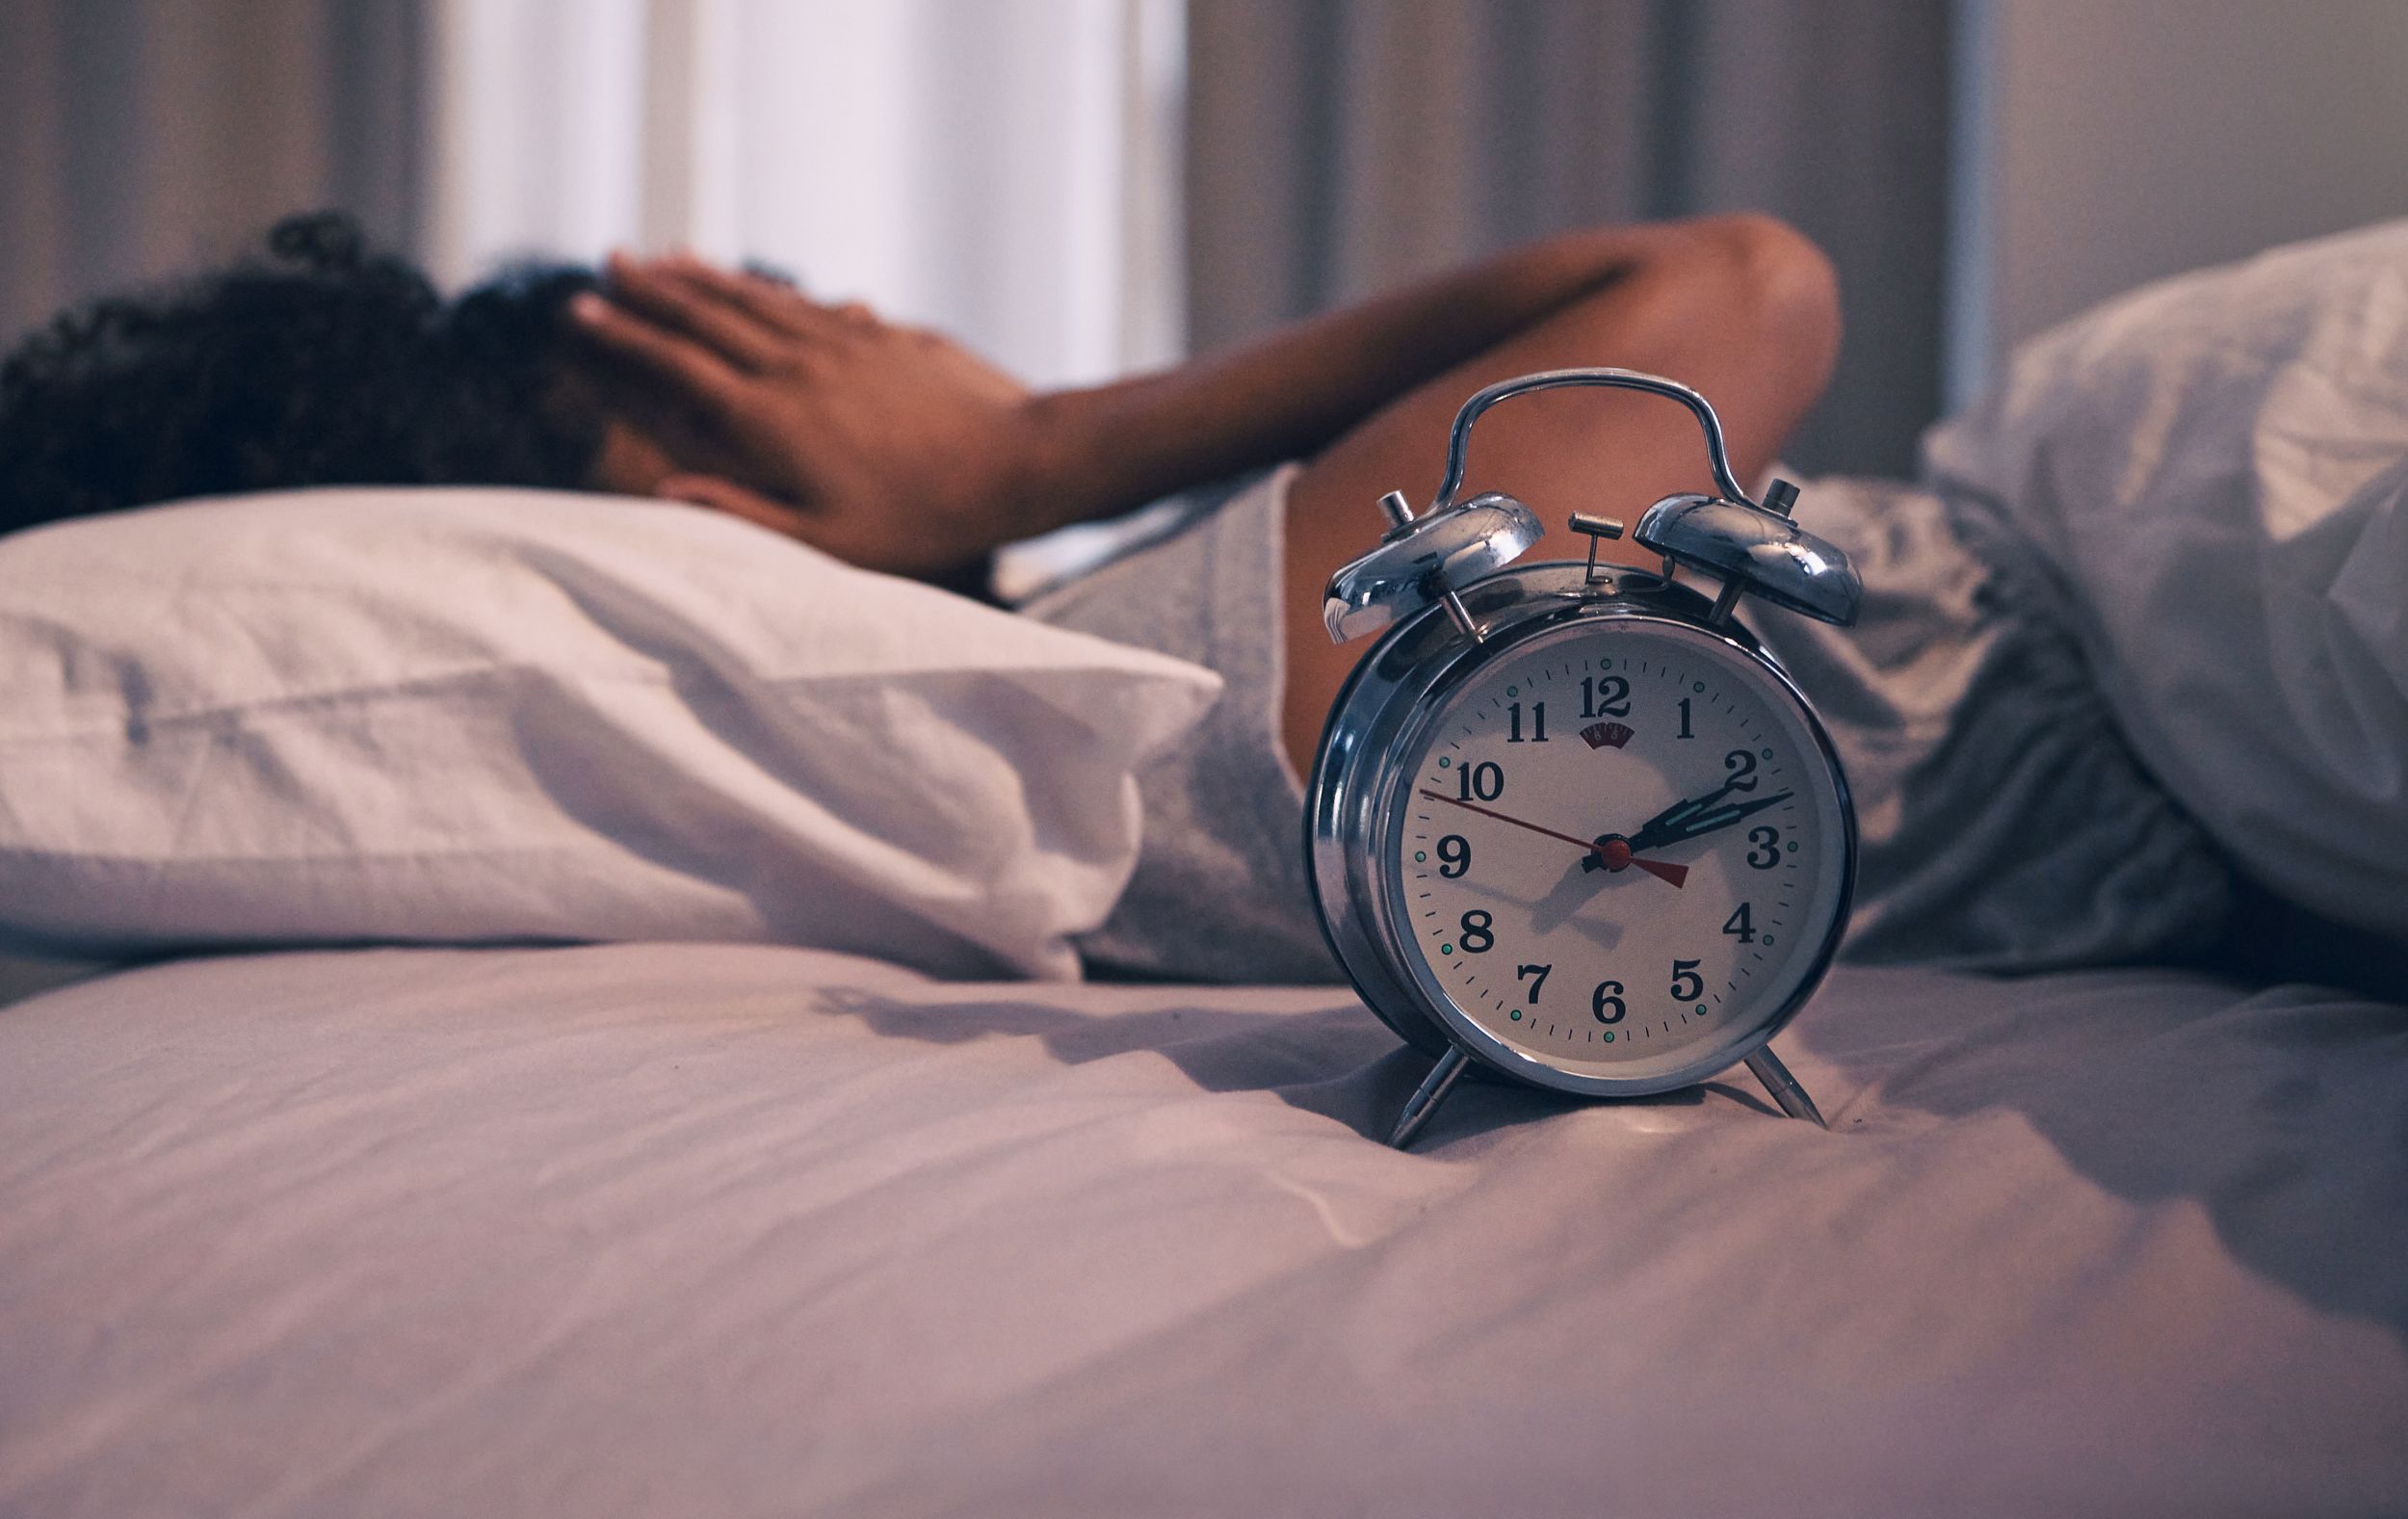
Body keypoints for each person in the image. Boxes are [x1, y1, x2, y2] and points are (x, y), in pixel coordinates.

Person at [0, 211, 2310, 984]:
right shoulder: (1148, 672)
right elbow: (1728, 286)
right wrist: (1040, 448)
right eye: (809, 332)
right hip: (2168, 616)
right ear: (729, 503)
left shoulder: (1135, 644)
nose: (888, 326)